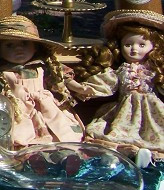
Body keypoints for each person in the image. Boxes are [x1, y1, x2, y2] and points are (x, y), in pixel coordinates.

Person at [0, 15, 85, 148]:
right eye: (9, 45)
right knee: (15, 132)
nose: (18, 49)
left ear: (36, 47)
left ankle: (61, 149)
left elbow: (61, 79)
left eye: (24, 43)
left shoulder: (42, 66)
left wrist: (80, 88)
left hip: (44, 107)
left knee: (60, 128)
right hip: (15, 108)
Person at [70, 10, 164, 163]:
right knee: (118, 132)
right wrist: (82, 88)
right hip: (125, 109)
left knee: (155, 134)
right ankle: (124, 153)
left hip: (152, 110)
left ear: (154, 46)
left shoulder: (155, 70)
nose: (134, 49)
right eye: (128, 44)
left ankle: (147, 156)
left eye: (142, 45)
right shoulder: (121, 70)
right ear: (119, 46)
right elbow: (105, 83)